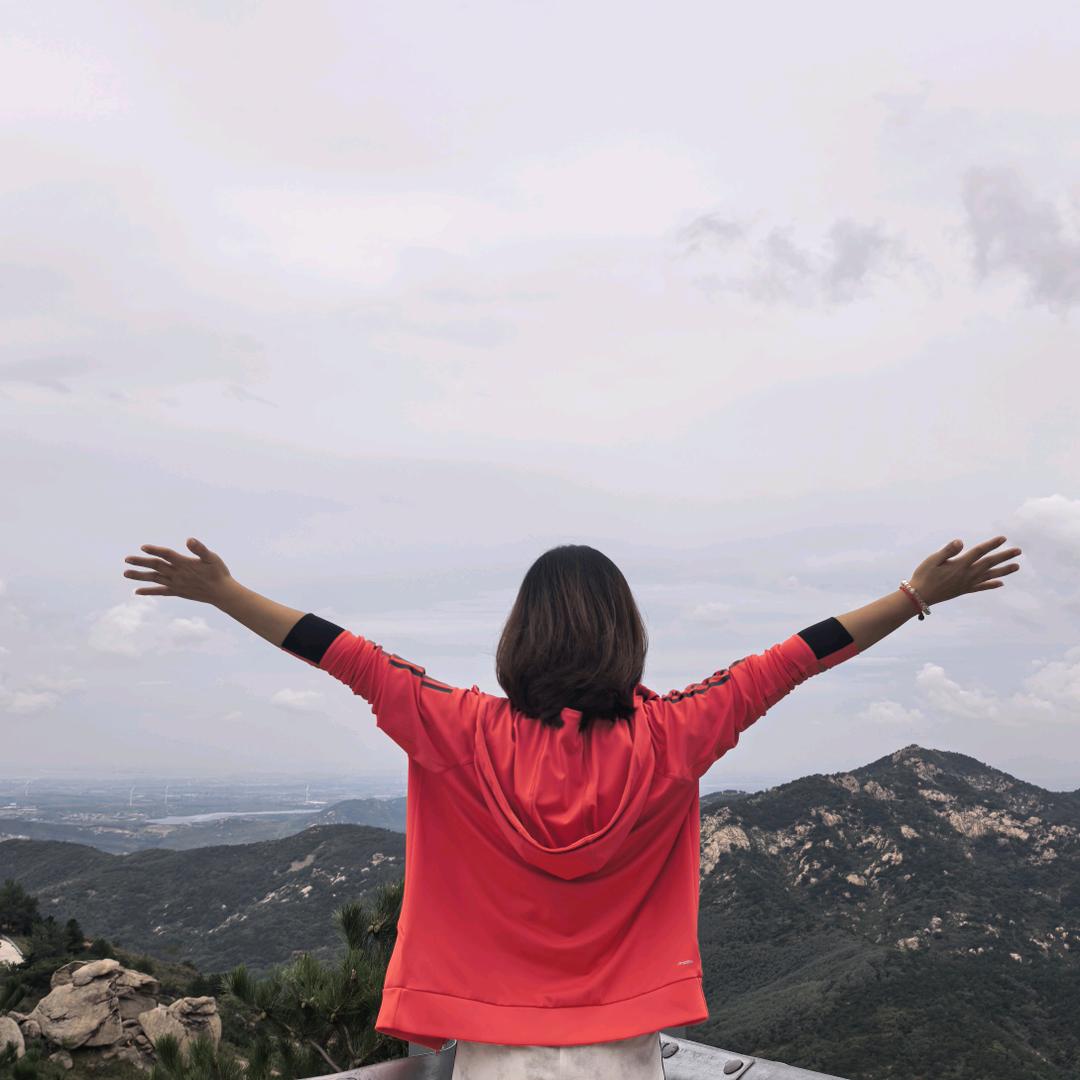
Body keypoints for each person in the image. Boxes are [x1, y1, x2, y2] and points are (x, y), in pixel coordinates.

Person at [123, 533, 1021, 1079]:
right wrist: (913, 597)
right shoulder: (676, 733)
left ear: (520, 633)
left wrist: (223, 593)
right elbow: (796, 657)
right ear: (627, 634)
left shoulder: (458, 728)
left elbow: (343, 653)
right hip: (626, 1051)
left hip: (491, 1053)